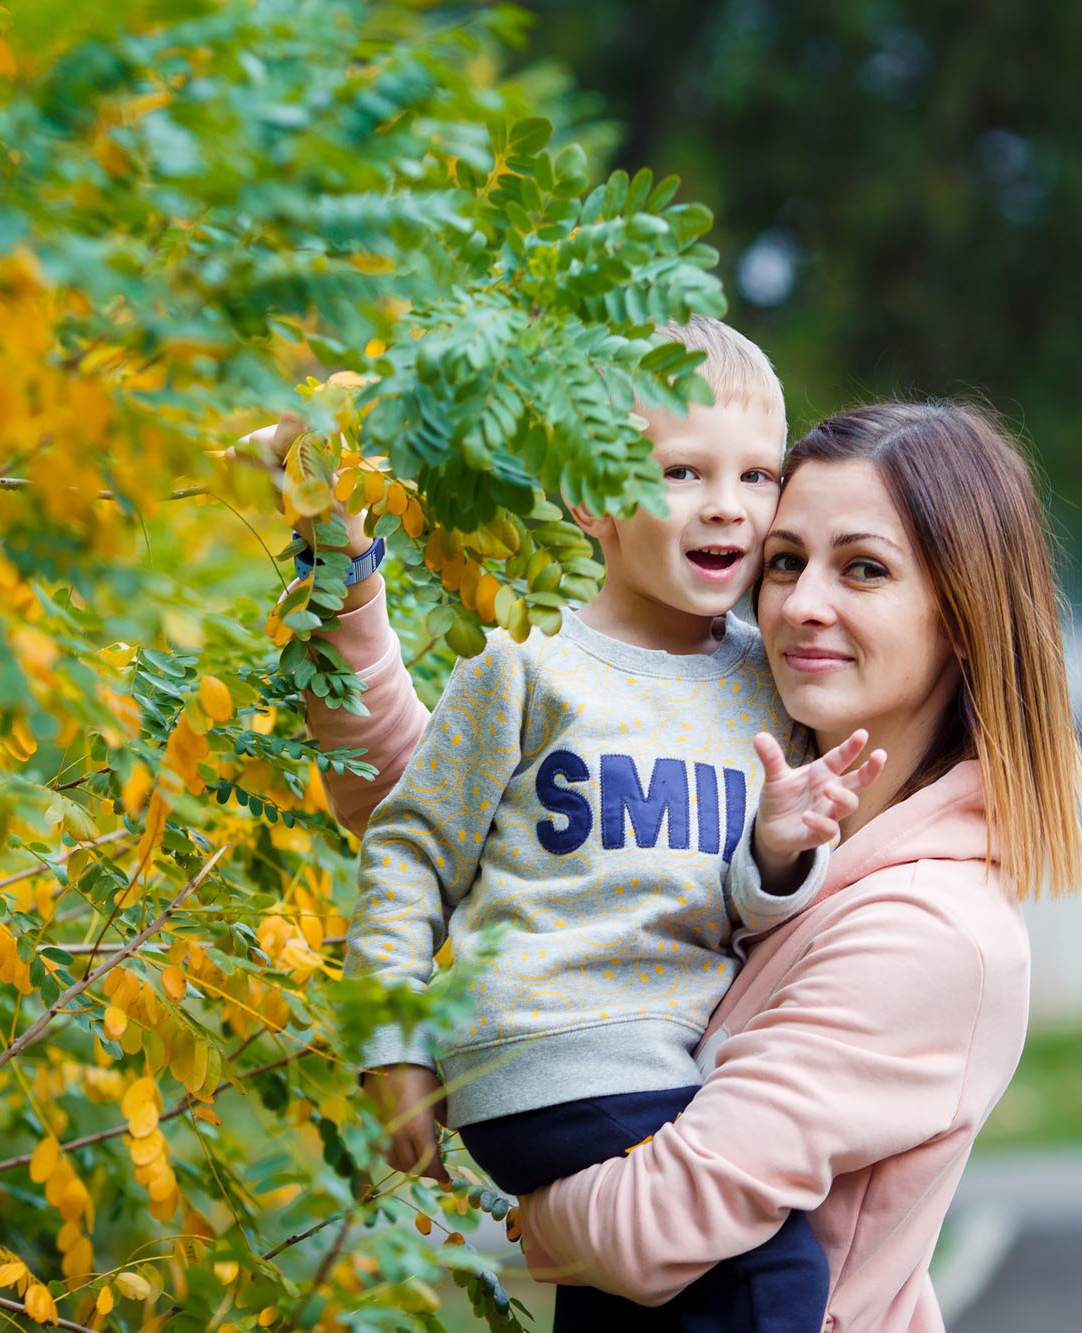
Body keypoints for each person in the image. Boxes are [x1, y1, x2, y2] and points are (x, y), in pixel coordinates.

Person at [304, 399, 1082, 1332]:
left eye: (864, 569)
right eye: (785, 562)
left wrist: (512, 1204)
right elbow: (420, 802)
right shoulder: (744, 752)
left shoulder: (934, 933)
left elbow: (650, 1231)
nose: (803, 603)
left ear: (963, 614)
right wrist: (342, 561)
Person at [336, 317, 884, 1332]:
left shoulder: (766, 688)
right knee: (770, 1280)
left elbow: (748, 907)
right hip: (551, 1051)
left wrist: (776, 845)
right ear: (588, 497)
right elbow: (412, 846)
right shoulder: (528, 664)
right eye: (680, 472)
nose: (727, 506)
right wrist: (394, 1043)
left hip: (668, 1064)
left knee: (638, 1298)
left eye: (757, 476)